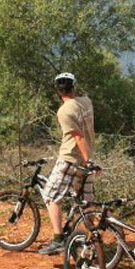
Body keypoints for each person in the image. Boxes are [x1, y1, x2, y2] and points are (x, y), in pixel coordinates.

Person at [38, 72, 95, 255]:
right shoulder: (86, 101)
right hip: (88, 156)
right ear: (74, 87)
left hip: (70, 158)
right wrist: (90, 161)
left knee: (51, 196)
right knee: (85, 201)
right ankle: (94, 241)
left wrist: (87, 161)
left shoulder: (64, 111)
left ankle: (58, 239)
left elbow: (77, 137)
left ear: (57, 91)